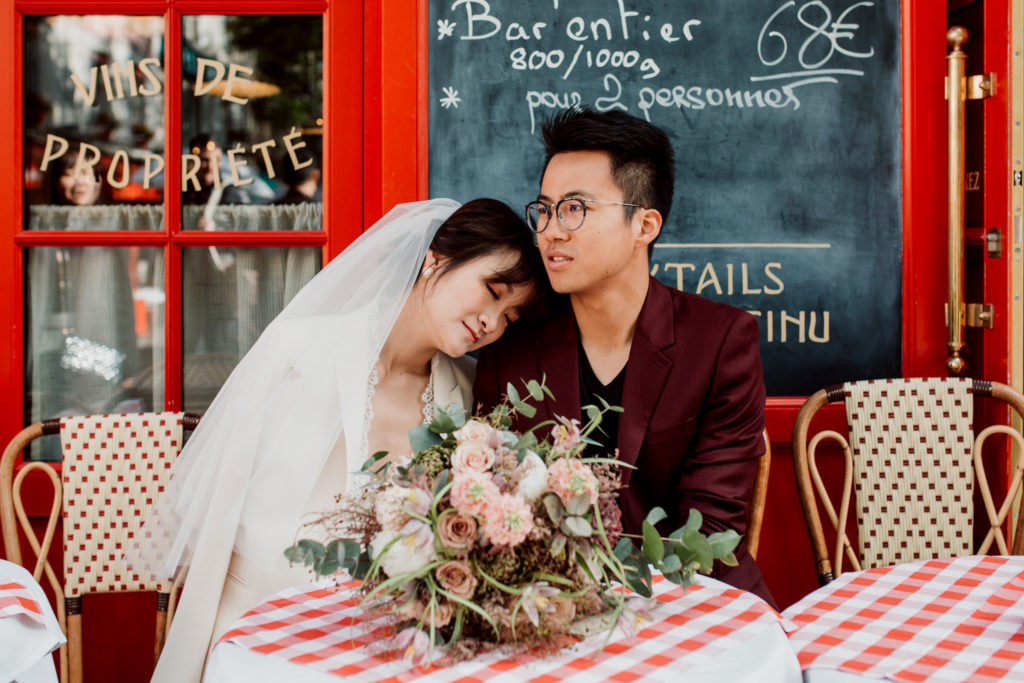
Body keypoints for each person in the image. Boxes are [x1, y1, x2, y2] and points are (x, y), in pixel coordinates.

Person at [129, 198, 547, 682]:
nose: (492, 322)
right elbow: (220, 505)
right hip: (265, 634)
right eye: (492, 292)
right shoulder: (297, 349)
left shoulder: (469, 391)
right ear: (435, 257)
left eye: (509, 317)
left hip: (390, 645)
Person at [473, 108, 775, 607]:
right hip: (551, 607)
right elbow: (497, 507)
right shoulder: (512, 350)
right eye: (544, 210)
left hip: (693, 603)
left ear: (645, 225)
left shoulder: (721, 341)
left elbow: (709, 530)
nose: (549, 231)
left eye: (575, 209)